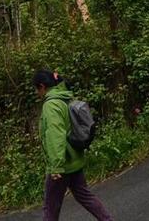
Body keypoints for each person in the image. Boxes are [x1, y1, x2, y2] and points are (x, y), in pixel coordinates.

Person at [32, 70, 114, 221]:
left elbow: (55, 136)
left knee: (50, 208)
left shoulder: (51, 105)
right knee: (85, 197)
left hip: (62, 165)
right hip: (75, 160)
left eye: (37, 89)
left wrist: (56, 166)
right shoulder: (64, 96)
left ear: (42, 86)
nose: (37, 93)